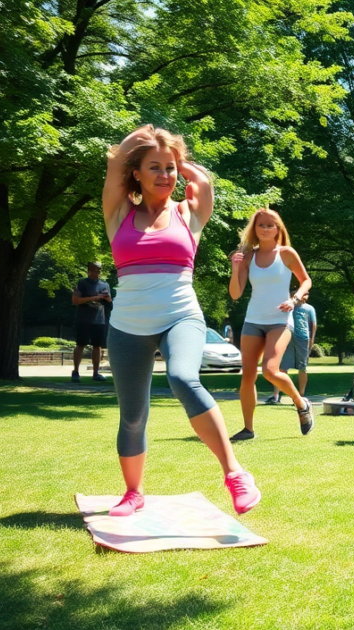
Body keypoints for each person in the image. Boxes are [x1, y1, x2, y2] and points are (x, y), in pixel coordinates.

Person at [101, 125, 259, 517]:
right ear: (136, 173)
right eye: (154, 167)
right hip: (128, 326)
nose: (164, 175)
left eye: (170, 168)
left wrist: (175, 155)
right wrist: (143, 137)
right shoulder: (119, 212)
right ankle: (133, 493)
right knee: (133, 416)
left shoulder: (189, 213)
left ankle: (235, 473)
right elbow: (116, 162)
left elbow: (203, 182)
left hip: (180, 317)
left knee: (184, 378)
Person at [228, 208, 314, 441]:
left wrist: (294, 300)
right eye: (261, 225)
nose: (265, 229)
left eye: (270, 225)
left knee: (270, 370)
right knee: (247, 376)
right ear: (254, 229)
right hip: (253, 320)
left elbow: (306, 280)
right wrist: (235, 269)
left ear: (278, 229)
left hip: (280, 320)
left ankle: (301, 403)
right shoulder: (247, 256)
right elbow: (235, 294)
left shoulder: (286, 253)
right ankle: (248, 429)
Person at [266, 293, 317, 404]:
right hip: (288, 337)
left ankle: (301, 395)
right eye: (303, 294)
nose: (304, 296)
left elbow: (313, 325)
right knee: (281, 367)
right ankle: (276, 396)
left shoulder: (309, 308)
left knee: (302, 367)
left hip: (303, 338)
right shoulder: (289, 306)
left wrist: (312, 340)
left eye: (307, 294)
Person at [71, 261, 112, 383]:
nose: (97, 273)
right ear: (89, 271)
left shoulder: (104, 284)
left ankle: (96, 373)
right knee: (80, 344)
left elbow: (110, 304)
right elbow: (75, 300)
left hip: (99, 320)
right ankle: (76, 372)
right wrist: (95, 297)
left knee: (97, 346)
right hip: (83, 319)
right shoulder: (82, 283)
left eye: (99, 270)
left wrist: (107, 298)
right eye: (95, 270)